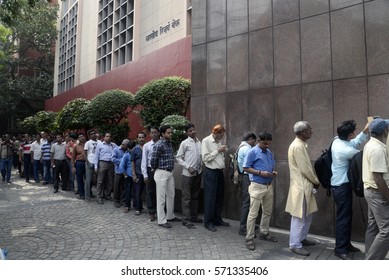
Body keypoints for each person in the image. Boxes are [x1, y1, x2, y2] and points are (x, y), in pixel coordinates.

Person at [331, 120, 369, 259]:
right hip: (341, 186)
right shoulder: (346, 150)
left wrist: (365, 131)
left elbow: (353, 142)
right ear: (350, 134)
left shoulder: (337, 141)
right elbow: (362, 154)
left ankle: (345, 244)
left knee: (346, 217)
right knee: (343, 218)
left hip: (340, 185)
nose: (355, 133)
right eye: (354, 131)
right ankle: (340, 249)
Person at [285, 121, 320, 256]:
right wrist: (316, 181)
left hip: (304, 186)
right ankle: (295, 244)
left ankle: (302, 238)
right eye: (309, 129)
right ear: (302, 132)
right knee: (299, 217)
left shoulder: (299, 145)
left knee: (307, 215)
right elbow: (305, 168)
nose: (311, 131)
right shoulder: (298, 146)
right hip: (301, 187)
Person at [244, 132, 278, 251]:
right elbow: (245, 168)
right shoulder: (252, 152)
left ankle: (264, 233)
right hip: (257, 186)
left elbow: (272, 166)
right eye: (265, 143)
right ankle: (249, 238)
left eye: (269, 143)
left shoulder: (268, 152)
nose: (267, 145)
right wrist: (260, 173)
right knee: (253, 214)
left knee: (267, 212)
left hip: (268, 186)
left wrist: (273, 171)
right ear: (259, 140)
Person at [362, 118, 389, 259]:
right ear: (385, 130)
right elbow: (378, 178)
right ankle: (372, 260)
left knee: (373, 227)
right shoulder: (377, 149)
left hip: (371, 191)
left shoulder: (371, 143)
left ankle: (370, 254)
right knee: (387, 230)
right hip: (377, 192)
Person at [201, 124, 230, 232]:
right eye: (220, 135)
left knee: (219, 197)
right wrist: (218, 150)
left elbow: (217, 157)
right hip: (210, 172)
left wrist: (221, 151)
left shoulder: (218, 142)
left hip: (219, 172)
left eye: (223, 135)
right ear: (215, 133)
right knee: (210, 197)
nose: (222, 137)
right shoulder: (206, 141)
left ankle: (217, 219)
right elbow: (205, 158)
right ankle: (208, 222)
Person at [151, 125, 180, 228]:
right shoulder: (159, 144)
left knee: (171, 195)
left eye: (171, 132)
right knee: (161, 198)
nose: (170, 134)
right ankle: (161, 221)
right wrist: (156, 169)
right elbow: (153, 160)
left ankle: (170, 216)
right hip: (161, 172)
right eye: (168, 133)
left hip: (169, 173)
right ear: (162, 134)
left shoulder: (169, 143)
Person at [176, 123, 203, 229]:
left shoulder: (199, 142)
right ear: (187, 133)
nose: (193, 132)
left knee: (195, 196)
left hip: (198, 173)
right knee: (186, 198)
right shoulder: (184, 143)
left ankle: (194, 217)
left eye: (193, 130)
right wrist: (188, 167)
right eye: (190, 131)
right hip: (187, 175)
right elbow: (178, 157)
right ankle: (186, 219)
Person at [237, 132, 257, 236]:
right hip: (247, 177)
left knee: (248, 202)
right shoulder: (247, 149)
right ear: (250, 139)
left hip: (244, 176)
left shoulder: (241, 147)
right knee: (247, 202)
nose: (255, 142)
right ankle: (243, 227)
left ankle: (247, 225)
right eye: (254, 140)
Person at [141, 126, 160, 222]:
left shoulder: (162, 144)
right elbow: (144, 161)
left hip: (160, 170)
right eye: (152, 133)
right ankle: (151, 212)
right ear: (150, 134)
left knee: (160, 192)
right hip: (150, 170)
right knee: (150, 192)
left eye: (155, 132)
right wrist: (145, 175)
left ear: (158, 133)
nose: (153, 134)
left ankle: (160, 212)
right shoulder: (147, 146)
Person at [94, 132, 116, 204]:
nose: (108, 137)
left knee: (110, 180)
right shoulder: (100, 145)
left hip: (111, 164)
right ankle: (99, 197)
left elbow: (119, 149)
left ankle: (108, 195)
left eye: (109, 136)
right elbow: (96, 156)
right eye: (107, 136)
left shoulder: (113, 145)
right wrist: (96, 166)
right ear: (104, 137)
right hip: (102, 163)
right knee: (100, 181)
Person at [131, 132, 146, 215]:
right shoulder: (134, 149)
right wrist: (133, 174)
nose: (141, 139)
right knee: (137, 191)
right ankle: (138, 208)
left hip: (146, 173)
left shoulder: (148, 147)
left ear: (145, 138)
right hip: (138, 173)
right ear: (137, 139)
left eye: (142, 137)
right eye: (139, 137)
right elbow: (132, 162)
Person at [112, 139, 130, 208]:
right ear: (123, 144)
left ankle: (123, 201)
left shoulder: (128, 150)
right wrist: (122, 161)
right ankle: (116, 201)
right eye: (125, 146)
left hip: (125, 172)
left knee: (124, 187)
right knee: (116, 187)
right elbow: (113, 159)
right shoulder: (116, 149)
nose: (126, 147)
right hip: (118, 171)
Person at [120, 140, 136, 214]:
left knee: (136, 192)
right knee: (128, 192)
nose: (131, 150)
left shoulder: (137, 154)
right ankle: (127, 206)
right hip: (129, 176)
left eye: (132, 148)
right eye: (129, 148)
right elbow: (121, 166)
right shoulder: (126, 155)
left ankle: (136, 206)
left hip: (136, 176)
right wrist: (125, 175)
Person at [84, 130, 98, 200]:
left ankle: (95, 194)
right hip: (90, 162)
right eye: (91, 134)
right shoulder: (88, 143)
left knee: (95, 180)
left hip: (97, 163)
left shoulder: (99, 142)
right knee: (88, 180)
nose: (93, 135)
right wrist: (87, 162)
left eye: (94, 133)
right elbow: (85, 153)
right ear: (89, 135)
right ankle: (87, 195)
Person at [72, 134, 87, 200]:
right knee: (79, 179)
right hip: (79, 163)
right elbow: (73, 157)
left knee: (88, 179)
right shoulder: (76, 146)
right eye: (80, 137)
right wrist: (73, 166)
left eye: (82, 136)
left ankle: (89, 192)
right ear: (78, 138)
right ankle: (82, 194)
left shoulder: (88, 144)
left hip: (87, 163)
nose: (82, 137)